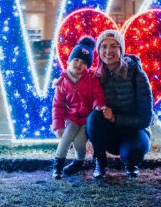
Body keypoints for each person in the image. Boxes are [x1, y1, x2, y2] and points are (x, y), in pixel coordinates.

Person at [86, 29, 154, 178]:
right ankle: (100, 163)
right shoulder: (94, 76)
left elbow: (146, 119)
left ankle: (130, 163)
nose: (108, 51)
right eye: (103, 46)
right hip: (108, 133)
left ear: (121, 49)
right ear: (98, 50)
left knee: (133, 154)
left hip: (134, 131)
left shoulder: (137, 74)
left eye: (114, 46)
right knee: (93, 118)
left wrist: (115, 118)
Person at [51, 36, 106, 178]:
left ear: (87, 66)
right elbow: (58, 105)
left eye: (83, 62)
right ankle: (57, 167)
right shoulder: (62, 81)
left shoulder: (92, 78)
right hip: (72, 118)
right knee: (66, 138)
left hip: (87, 118)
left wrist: (99, 106)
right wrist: (58, 125)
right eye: (76, 60)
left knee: (79, 142)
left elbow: (98, 95)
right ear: (70, 60)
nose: (78, 64)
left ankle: (79, 161)